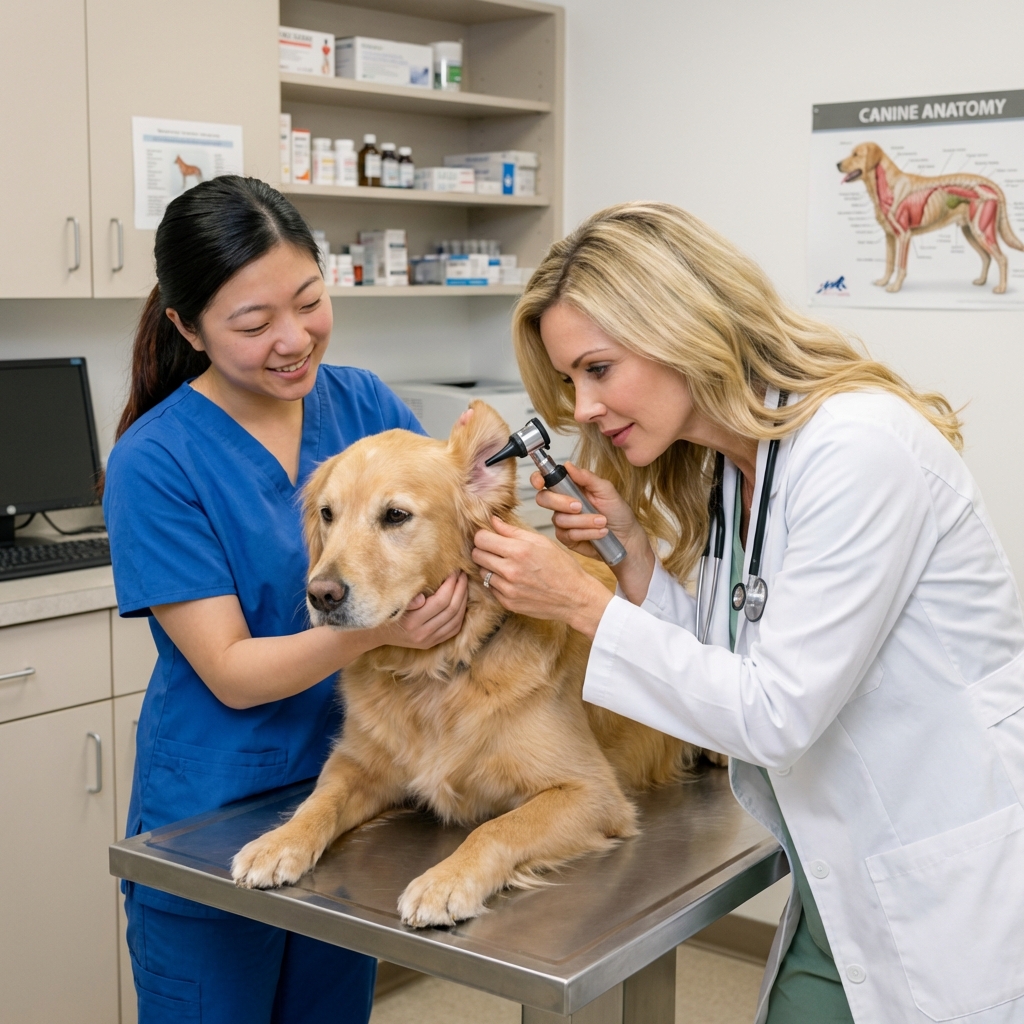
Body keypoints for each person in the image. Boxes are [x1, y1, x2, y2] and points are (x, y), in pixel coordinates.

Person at [470, 202, 1024, 1023]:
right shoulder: (740, 470)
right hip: (845, 887)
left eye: (597, 369)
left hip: (950, 897)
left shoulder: (855, 448)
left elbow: (774, 714)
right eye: (569, 383)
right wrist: (630, 556)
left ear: (680, 327)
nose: (581, 409)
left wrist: (582, 601)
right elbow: (733, 662)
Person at [104, 176, 468, 1024]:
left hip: (355, 797)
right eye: (253, 323)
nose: (294, 339)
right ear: (187, 328)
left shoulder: (364, 403)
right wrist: (383, 634)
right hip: (217, 808)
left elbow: (449, 535)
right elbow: (230, 671)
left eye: (308, 301)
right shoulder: (155, 461)